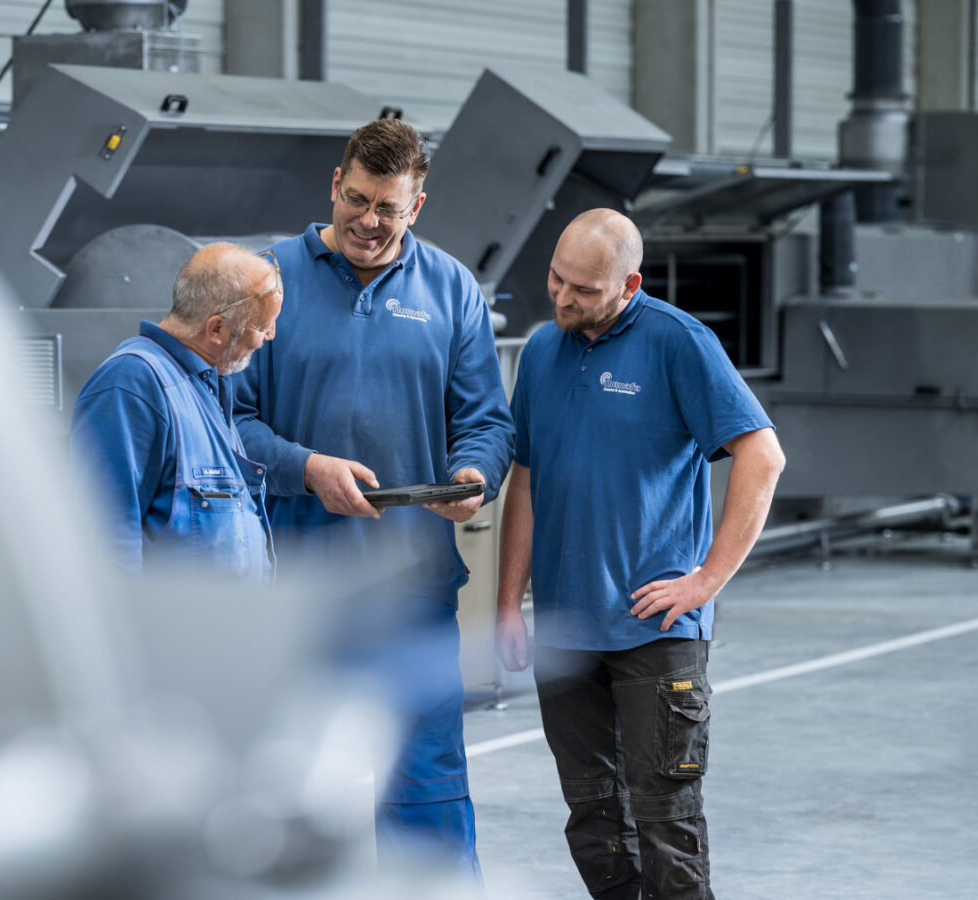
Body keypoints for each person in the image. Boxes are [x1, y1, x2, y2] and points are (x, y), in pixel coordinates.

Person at [233, 118, 513, 881]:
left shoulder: (452, 289)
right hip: (293, 588)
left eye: (388, 208)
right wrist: (306, 467)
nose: (368, 220)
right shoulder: (270, 280)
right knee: (277, 796)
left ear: (416, 206)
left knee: (424, 788)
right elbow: (228, 421)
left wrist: (472, 476)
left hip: (410, 587)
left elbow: (487, 419)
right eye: (357, 199)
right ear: (335, 184)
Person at [495, 208, 786, 900]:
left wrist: (707, 578)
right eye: (556, 280)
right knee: (594, 824)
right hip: (566, 629)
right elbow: (527, 480)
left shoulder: (677, 342)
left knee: (666, 827)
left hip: (654, 630)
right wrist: (508, 602)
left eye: (584, 290)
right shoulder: (541, 350)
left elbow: (762, 456)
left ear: (629, 283)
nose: (563, 299)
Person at [71, 242, 283, 580]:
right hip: (171, 631)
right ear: (216, 329)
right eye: (262, 326)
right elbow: (104, 542)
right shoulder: (131, 385)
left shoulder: (206, 386)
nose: (268, 337)